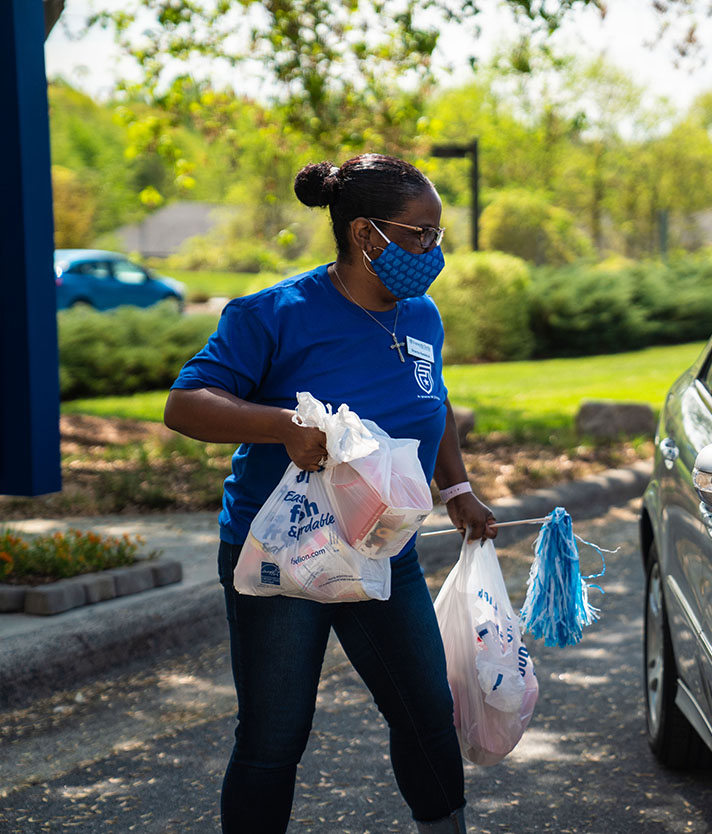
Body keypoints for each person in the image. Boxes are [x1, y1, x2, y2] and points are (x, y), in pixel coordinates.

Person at [164, 153, 495, 834]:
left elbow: (431, 398)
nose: (433, 251)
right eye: (418, 235)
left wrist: (456, 485)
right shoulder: (273, 315)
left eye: (437, 234)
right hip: (283, 555)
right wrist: (283, 425)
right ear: (365, 234)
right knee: (275, 736)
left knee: (426, 711)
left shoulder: (420, 314)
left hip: (381, 547)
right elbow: (185, 405)